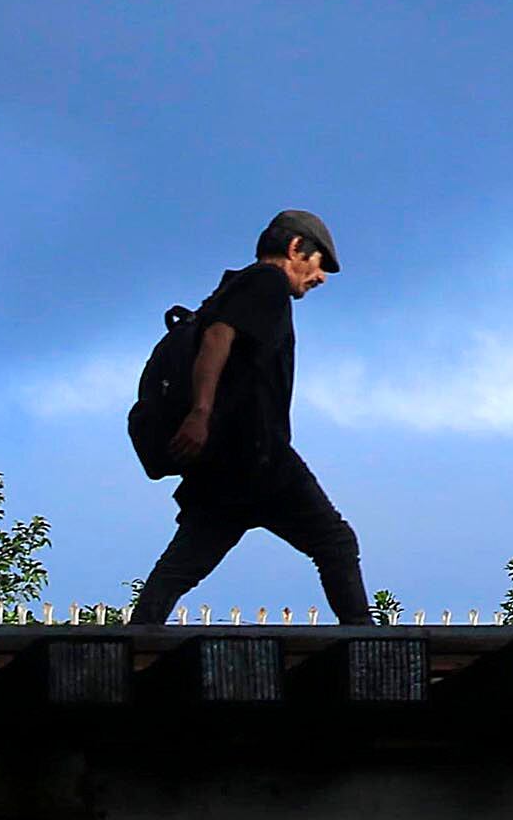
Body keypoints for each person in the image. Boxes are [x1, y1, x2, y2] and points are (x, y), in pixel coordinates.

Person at [130, 210, 371, 627]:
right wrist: (200, 413)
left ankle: (135, 640)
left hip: (222, 467)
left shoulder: (232, 289)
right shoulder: (266, 282)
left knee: (180, 568)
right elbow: (217, 339)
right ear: (295, 247)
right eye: (319, 264)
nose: (320, 277)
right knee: (335, 542)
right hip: (258, 458)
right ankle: (368, 641)